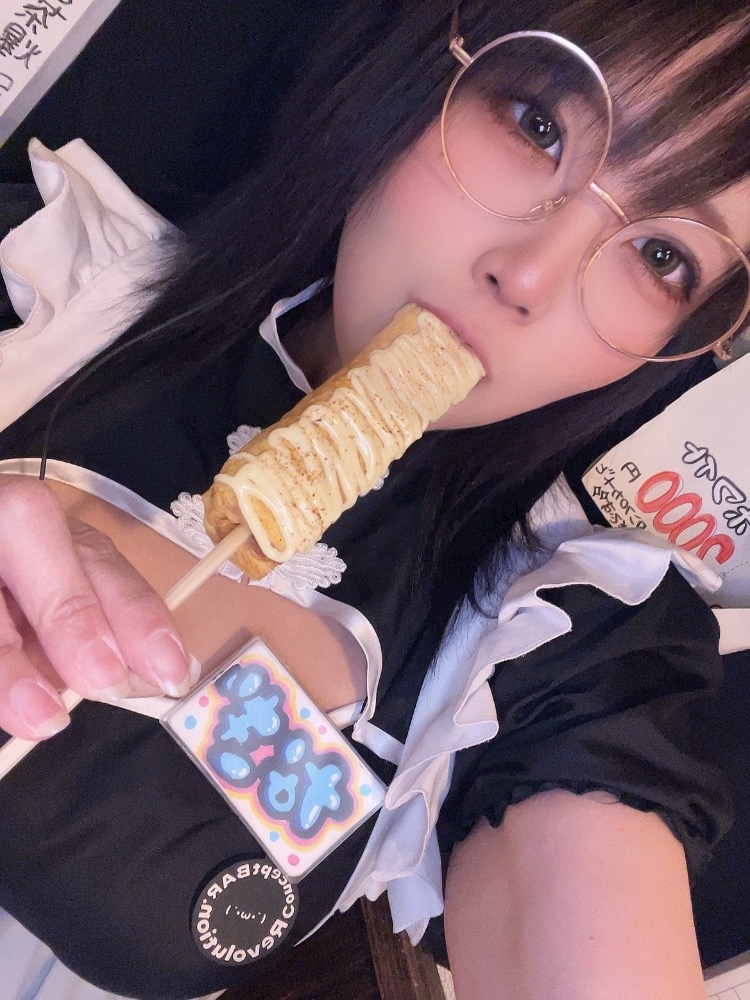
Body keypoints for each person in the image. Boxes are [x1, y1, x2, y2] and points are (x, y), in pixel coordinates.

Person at [0, 0, 748, 997]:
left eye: (662, 258)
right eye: (538, 126)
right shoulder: (52, 281)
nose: (527, 276)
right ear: (434, 66)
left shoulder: (550, 646)